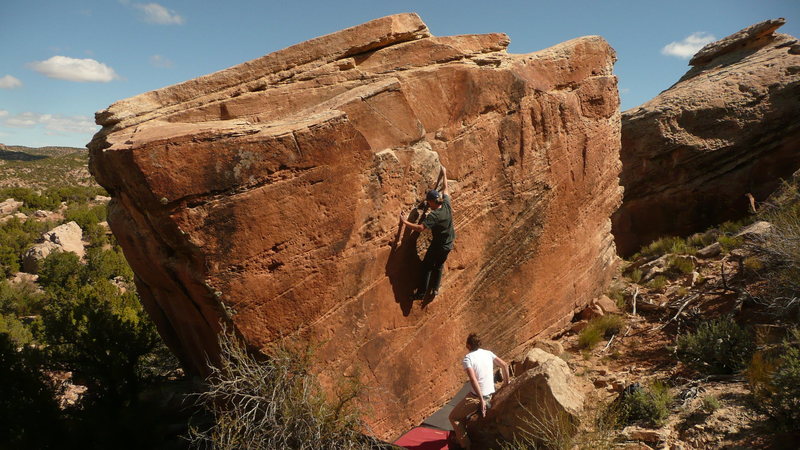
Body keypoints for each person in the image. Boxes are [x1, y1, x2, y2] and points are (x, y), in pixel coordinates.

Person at [398, 165, 455, 300]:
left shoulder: (434, 216)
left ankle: (421, 293)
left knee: (427, 266)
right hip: (449, 242)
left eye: (428, 203)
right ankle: (435, 289)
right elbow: (446, 189)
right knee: (439, 265)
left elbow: (420, 228)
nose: (427, 205)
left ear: (431, 202)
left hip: (438, 245)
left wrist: (404, 222)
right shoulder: (446, 203)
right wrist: (444, 173)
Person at [448, 333, 510, 449]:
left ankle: (466, 446)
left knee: (454, 417)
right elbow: (505, 365)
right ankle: (460, 437)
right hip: (492, 393)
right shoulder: (488, 353)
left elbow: (473, 379)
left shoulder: (468, 359)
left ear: (468, 345)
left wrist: (481, 400)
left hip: (477, 397)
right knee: (463, 410)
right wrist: (506, 384)